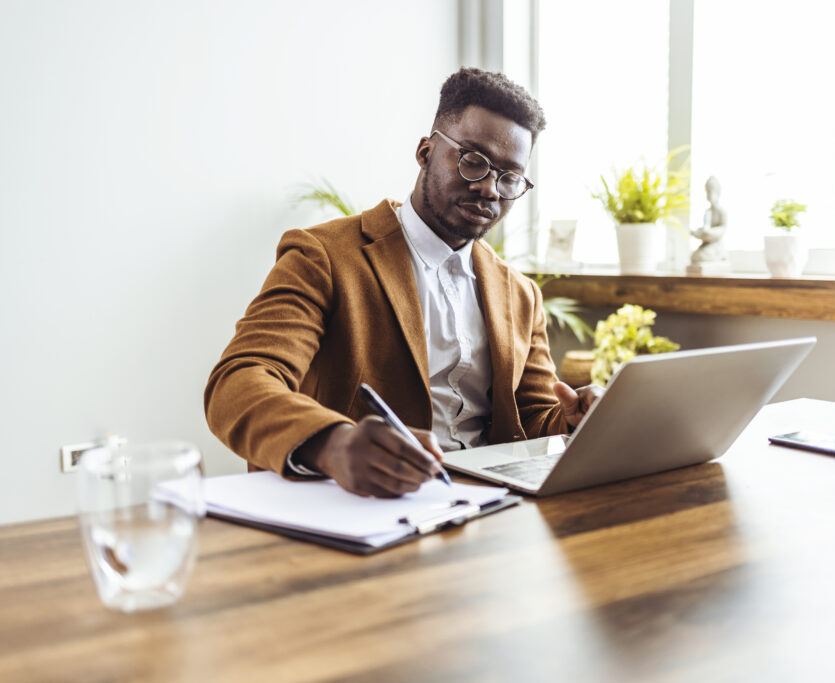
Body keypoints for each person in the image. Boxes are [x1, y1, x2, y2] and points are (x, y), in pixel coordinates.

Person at [205, 67, 603, 498]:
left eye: (509, 178)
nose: (490, 189)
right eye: (473, 161)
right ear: (425, 151)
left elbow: (533, 421)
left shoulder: (521, 294)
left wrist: (576, 420)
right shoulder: (324, 256)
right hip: (366, 506)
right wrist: (330, 442)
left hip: (490, 510)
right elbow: (239, 382)